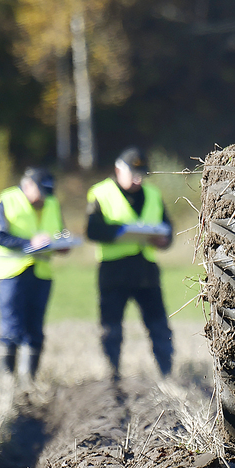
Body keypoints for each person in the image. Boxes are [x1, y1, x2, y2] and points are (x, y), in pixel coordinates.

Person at [85, 147, 174, 380]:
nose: (137, 179)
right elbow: (92, 229)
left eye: (141, 174)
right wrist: (122, 232)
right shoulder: (100, 193)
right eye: (133, 173)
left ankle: (167, 373)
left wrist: (163, 240)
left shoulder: (153, 194)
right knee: (111, 326)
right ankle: (112, 372)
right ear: (118, 170)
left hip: (145, 269)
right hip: (113, 270)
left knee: (158, 325)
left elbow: (168, 229)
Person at [0, 166, 70, 379]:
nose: (44, 198)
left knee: (35, 329)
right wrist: (29, 243)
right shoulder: (5, 199)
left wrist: (65, 242)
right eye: (41, 192)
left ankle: (29, 382)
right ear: (28, 185)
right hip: (12, 273)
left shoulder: (52, 203)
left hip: (41, 272)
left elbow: (62, 231)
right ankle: (6, 380)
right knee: (12, 328)